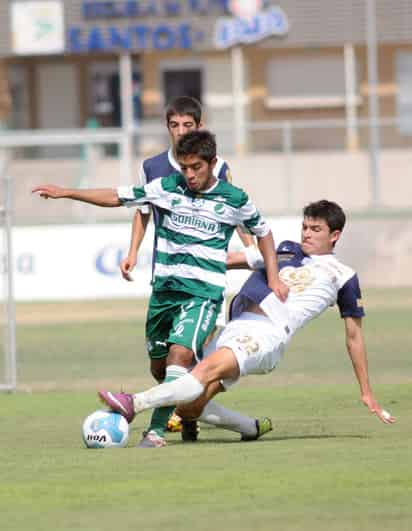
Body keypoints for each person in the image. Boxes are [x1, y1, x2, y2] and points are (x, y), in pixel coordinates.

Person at [32, 129, 288, 447]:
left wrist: (274, 278)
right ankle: (223, 420)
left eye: (197, 167)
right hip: (164, 294)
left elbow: (264, 233)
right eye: (185, 167)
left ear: (211, 163)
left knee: (178, 359)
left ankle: (153, 431)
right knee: (161, 369)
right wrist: (67, 192)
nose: (190, 174)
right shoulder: (167, 188)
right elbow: (118, 196)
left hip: (202, 295)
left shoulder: (234, 199)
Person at [98, 200, 396, 436]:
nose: (306, 233)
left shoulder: (343, 276)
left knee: (200, 374)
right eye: (305, 226)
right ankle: (251, 428)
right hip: (234, 327)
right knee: (189, 408)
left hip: (266, 335)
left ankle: (133, 403)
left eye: (315, 229)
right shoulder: (283, 250)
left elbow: (354, 335)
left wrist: (366, 392)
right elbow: (229, 260)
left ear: (335, 235)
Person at [120, 95, 257, 439]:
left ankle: (180, 423)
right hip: (166, 276)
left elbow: (233, 207)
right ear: (167, 127)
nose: (180, 131)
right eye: (174, 125)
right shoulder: (152, 167)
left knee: (183, 354)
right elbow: (142, 210)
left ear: (200, 125)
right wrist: (133, 251)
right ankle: (190, 408)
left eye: (188, 125)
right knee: (161, 363)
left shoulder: (218, 165)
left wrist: (251, 250)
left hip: (203, 278)